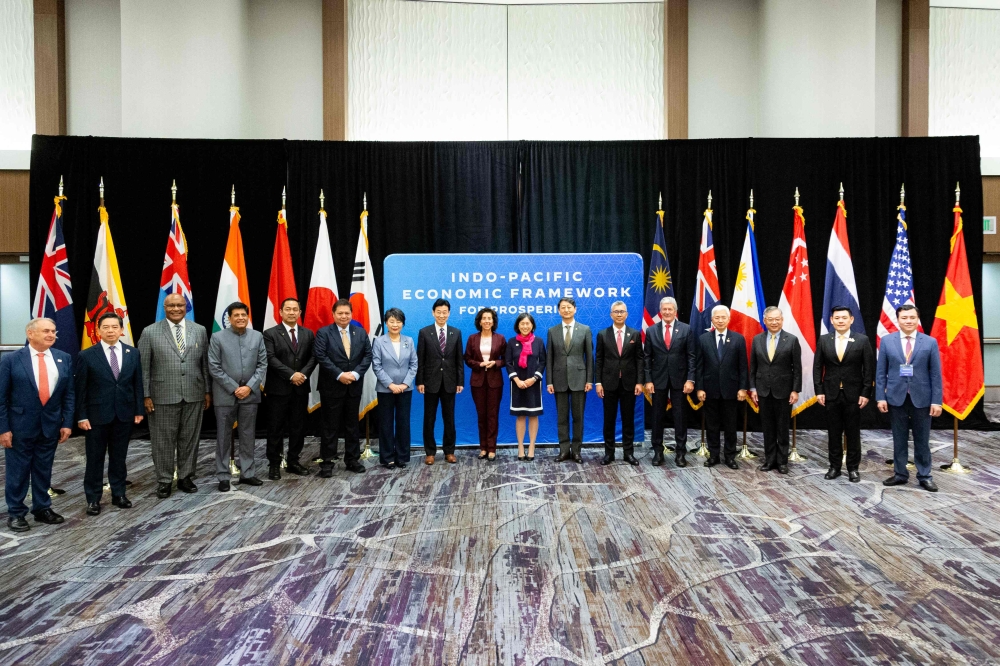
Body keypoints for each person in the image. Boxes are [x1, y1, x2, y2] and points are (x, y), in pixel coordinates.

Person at [0, 318, 74, 532]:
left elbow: (69, 394)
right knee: (18, 472)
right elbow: (1, 397)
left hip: (50, 425)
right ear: (30, 334)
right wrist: (3, 428)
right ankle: (16, 513)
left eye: (53, 331)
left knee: (44, 469)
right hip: (19, 427)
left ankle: (42, 508)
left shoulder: (64, 358)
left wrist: (67, 422)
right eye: (46, 331)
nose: (51, 335)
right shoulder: (11, 360)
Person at [137, 293, 211, 499]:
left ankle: (186, 477)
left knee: (190, 439)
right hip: (161, 396)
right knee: (163, 441)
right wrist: (145, 395)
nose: (176, 309)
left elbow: (204, 364)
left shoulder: (199, 330)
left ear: (186, 307)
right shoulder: (150, 332)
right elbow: (143, 368)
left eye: (180, 305)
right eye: (171, 306)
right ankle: (164, 480)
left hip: (194, 393)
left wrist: (207, 391)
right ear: (165, 308)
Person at [75, 313, 145, 515]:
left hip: (124, 414)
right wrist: (81, 416)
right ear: (98, 330)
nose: (110, 331)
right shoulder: (86, 355)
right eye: (106, 327)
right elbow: (81, 389)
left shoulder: (133, 353)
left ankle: (119, 494)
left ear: (121, 330)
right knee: (94, 459)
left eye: (115, 327)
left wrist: (139, 409)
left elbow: (137, 384)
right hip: (96, 417)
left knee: (119, 457)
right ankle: (93, 499)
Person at [877, 304, 943, 492]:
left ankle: (925, 476)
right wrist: (880, 397)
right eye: (904, 318)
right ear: (898, 320)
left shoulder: (930, 342)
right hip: (896, 397)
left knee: (922, 439)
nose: (908, 321)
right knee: (899, 439)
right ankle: (900, 474)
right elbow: (881, 373)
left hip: (922, 398)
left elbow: (936, 374)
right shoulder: (887, 341)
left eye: (912, 317)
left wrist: (936, 401)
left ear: (917, 319)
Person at [208, 302, 268, 492]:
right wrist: (235, 388)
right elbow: (214, 367)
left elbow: (262, 365)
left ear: (247, 317)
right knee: (223, 436)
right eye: (236, 315)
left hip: (250, 395)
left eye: (243, 315)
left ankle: (247, 473)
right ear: (229, 318)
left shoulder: (257, 336)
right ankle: (223, 475)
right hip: (225, 395)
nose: (240, 318)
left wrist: (249, 387)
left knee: (248, 435)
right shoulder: (217, 337)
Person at [814, 305, 874, 483]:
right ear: (831, 320)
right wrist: (819, 390)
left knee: (853, 433)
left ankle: (853, 468)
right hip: (831, 394)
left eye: (844, 318)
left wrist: (866, 392)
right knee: (833, 433)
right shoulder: (824, 340)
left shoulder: (862, 340)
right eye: (837, 318)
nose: (840, 321)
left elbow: (868, 369)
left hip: (854, 395)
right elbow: (817, 367)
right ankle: (834, 467)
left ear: (851, 320)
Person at [314, 298, 373, 476]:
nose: (343, 316)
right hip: (331, 387)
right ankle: (327, 463)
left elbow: (368, 355)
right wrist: (340, 375)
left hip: (353, 386)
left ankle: (352, 460)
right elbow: (321, 356)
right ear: (333, 314)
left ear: (351, 314)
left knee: (352, 425)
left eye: (347, 313)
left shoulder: (360, 332)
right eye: (340, 313)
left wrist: (355, 374)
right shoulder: (324, 333)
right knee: (330, 427)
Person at [262, 297, 316, 480]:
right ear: (280, 312)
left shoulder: (308, 334)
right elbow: (270, 358)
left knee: (298, 427)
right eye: (288, 309)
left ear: (300, 313)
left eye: (295, 309)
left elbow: (313, 358)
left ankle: (293, 461)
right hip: (278, 389)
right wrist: (292, 375)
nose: (291, 312)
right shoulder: (270, 334)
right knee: (275, 428)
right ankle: (274, 463)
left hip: (300, 389)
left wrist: (303, 374)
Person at [642, 297, 696, 467]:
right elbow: (647, 357)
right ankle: (658, 452)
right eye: (664, 309)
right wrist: (648, 380)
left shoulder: (686, 329)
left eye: (670, 309)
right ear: (660, 311)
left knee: (680, 417)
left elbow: (691, 356)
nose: (667, 312)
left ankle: (680, 453)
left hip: (680, 380)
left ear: (675, 311)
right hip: (657, 380)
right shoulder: (651, 330)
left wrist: (690, 379)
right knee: (657, 417)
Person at [749, 306, 802, 475]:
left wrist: (795, 390)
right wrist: (753, 388)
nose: (774, 322)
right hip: (763, 390)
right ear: (764, 321)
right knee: (768, 427)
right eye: (770, 319)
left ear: (782, 320)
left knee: (782, 427)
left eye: (777, 319)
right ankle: (770, 460)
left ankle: (782, 461)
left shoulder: (791, 340)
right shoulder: (757, 339)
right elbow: (753, 366)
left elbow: (797, 368)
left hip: (784, 391)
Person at [695, 305, 747, 469]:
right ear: (712, 320)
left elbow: (743, 366)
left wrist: (742, 388)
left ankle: (730, 457)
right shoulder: (703, 339)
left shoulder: (738, 339)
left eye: (723, 317)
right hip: (709, 389)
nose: (720, 320)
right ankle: (714, 455)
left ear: (728, 319)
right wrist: (700, 388)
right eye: (717, 317)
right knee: (712, 425)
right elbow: (699, 366)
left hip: (731, 390)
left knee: (731, 425)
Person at [595, 301, 644, 466]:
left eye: (622, 311)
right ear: (611, 315)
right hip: (608, 383)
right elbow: (599, 360)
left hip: (629, 384)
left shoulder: (634, 334)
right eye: (616, 312)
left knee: (628, 420)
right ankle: (609, 454)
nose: (619, 314)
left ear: (626, 314)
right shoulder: (603, 334)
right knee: (609, 420)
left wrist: (639, 382)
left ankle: (628, 453)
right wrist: (598, 382)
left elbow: (639, 359)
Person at [416, 298, 464, 465]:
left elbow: (459, 360)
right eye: (439, 312)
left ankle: (449, 451)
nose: (442, 315)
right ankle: (430, 452)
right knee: (429, 419)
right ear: (433, 313)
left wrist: (460, 381)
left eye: (445, 312)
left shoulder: (456, 333)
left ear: (449, 313)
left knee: (449, 419)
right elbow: (420, 359)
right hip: (430, 382)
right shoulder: (424, 332)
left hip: (450, 382)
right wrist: (420, 381)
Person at [546, 298, 593, 463]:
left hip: (579, 379)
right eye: (563, 308)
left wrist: (589, 380)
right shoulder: (552, 331)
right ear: (559, 311)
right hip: (558, 379)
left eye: (569, 307)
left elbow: (589, 357)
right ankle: (564, 450)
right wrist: (549, 381)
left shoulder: (585, 329)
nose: (566, 310)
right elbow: (550, 358)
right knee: (562, 417)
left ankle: (577, 451)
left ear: (575, 309)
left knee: (578, 417)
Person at [371, 307, 418, 469]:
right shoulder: (379, 342)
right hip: (386, 389)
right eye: (392, 321)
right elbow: (376, 366)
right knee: (386, 423)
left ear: (403, 323)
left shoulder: (408, 341)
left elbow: (414, 364)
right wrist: (390, 384)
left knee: (403, 423)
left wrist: (405, 384)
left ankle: (402, 457)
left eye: (398, 321)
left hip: (405, 389)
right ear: (386, 323)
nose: (395, 324)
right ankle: (387, 457)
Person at [464, 308, 506, 461]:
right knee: (481, 415)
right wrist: (479, 364)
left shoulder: (500, 338)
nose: (487, 321)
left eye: (490, 318)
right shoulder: (472, 338)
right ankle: (483, 448)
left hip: (495, 382)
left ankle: (492, 448)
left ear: (493, 321)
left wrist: (495, 363)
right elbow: (467, 358)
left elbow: (506, 359)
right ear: (479, 321)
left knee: (493, 415)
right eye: (484, 318)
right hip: (478, 382)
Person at [506, 313, 546, 461]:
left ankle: (532, 447)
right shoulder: (512, 342)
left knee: (533, 415)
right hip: (517, 384)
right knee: (521, 415)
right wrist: (516, 380)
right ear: (518, 326)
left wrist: (534, 378)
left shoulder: (539, 341)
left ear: (532, 325)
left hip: (533, 383)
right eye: (522, 323)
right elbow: (508, 363)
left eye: (527, 323)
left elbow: (543, 362)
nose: (525, 326)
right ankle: (521, 447)